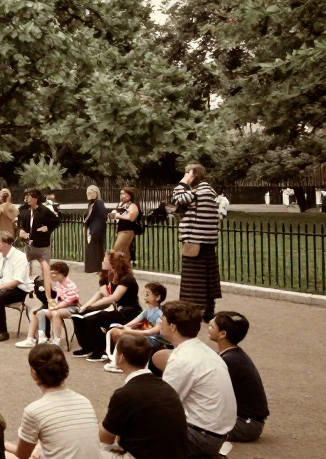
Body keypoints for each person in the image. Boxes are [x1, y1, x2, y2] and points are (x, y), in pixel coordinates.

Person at [2, 345, 103, 459]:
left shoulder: (35, 410)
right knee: (41, 449)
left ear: (34, 372)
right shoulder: (84, 401)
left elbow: (22, 454)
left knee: (4, 456)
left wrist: (5, 445)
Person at [98, 334, 189, 459]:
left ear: (120, 358)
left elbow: (106, 437)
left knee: (83, 451)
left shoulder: (125, 393)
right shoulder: (165, 387)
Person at [153, 301, 237, 459]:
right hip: (216, 433)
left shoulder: (181, 360)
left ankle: (193, 453)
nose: (158, 323)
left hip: (201, 436)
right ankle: (199, 455)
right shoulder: (204, 351)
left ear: (173, 327)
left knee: (133, 430)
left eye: (161, 319)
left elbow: (163, 407)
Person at [171, 164, 223, 320]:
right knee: (207, 279)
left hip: (195, 241)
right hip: (206, 241)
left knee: (193, 281)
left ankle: (192, 312)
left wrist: (183, 182)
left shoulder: (198, 193)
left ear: (193, 174)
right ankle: (207, 310)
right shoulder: (208, 192)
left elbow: (176, 199)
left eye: (188, 173)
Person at [71, 251, 141, 362]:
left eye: (105, 259)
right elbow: (100, 293)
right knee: (79, 316)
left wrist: (93, 306)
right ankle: (87, 347)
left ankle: (101, 351)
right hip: (117, 311)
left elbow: (114, 297)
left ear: (113, 263)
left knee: (92, 319)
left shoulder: (127, 279)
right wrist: (85, 307)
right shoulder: (111, 276)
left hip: (128, 313)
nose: (102, 261)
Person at [212, 311, 268, 442]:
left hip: (246, 424)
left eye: (211, 327)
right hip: (245, 421)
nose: (208, 329)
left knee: (192, 425)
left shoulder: (230, 360)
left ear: (222, 334)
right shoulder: (232, 354)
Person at [102, 282, 168, 372]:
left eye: (148, 294)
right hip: (146, 336)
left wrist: (128, 331)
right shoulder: (147, 310)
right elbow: (135, 321)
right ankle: (122, 360)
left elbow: (151, 332)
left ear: (158, 297)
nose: (145, 296)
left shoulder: (160, 313)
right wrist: (121, 327)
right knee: (115, 331)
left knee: (125, 336)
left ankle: (127, 362)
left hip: (154, 340)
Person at [17, 261, 81, 348]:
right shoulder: (59, 284)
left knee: (55, 314)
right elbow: (57, 297)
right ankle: (42, 336)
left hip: (71, 308)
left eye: (55, 273)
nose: (52, 275)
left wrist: (56, 307)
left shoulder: (70, 285)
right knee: (40, 313)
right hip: (59, 307)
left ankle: (56, 339)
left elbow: (70, 300)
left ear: (62, 274)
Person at [20, 189, 59, 302]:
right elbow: (20, 222)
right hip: (29, 245)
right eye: (26, 197)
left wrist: (48, 228)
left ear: (35, 199)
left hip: (42, 245)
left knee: (45, 269)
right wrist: (21, 230)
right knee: (27, 267)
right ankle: (29, 290)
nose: (27, 199)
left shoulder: (44, 210)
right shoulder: (25, 210)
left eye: (29, 197)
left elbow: (56, 221)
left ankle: (47, 293)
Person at [110, 187, 141, 261]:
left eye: (123, 193)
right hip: (120, 230)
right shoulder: (120, 205)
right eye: (120, 194)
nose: (121, 196)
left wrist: (118, 215)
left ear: (129, 195)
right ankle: (126, 269)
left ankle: (114, 269)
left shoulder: (133, 206)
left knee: (116, 250)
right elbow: (114, 215)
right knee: (125, 252)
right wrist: (112, 214)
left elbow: (131, 217)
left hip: (127, 231)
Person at [83, 186, 108, 273]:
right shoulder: (91, 204)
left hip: (97, 229)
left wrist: (94, 229)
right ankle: (94, 267)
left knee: (96, 248)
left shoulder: (99, 203)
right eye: (87, 193)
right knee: (93, 248)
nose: (88, 194)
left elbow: (102, 216)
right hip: (93, 228)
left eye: (90, 193)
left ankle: (96, 267)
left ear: (96, 193)